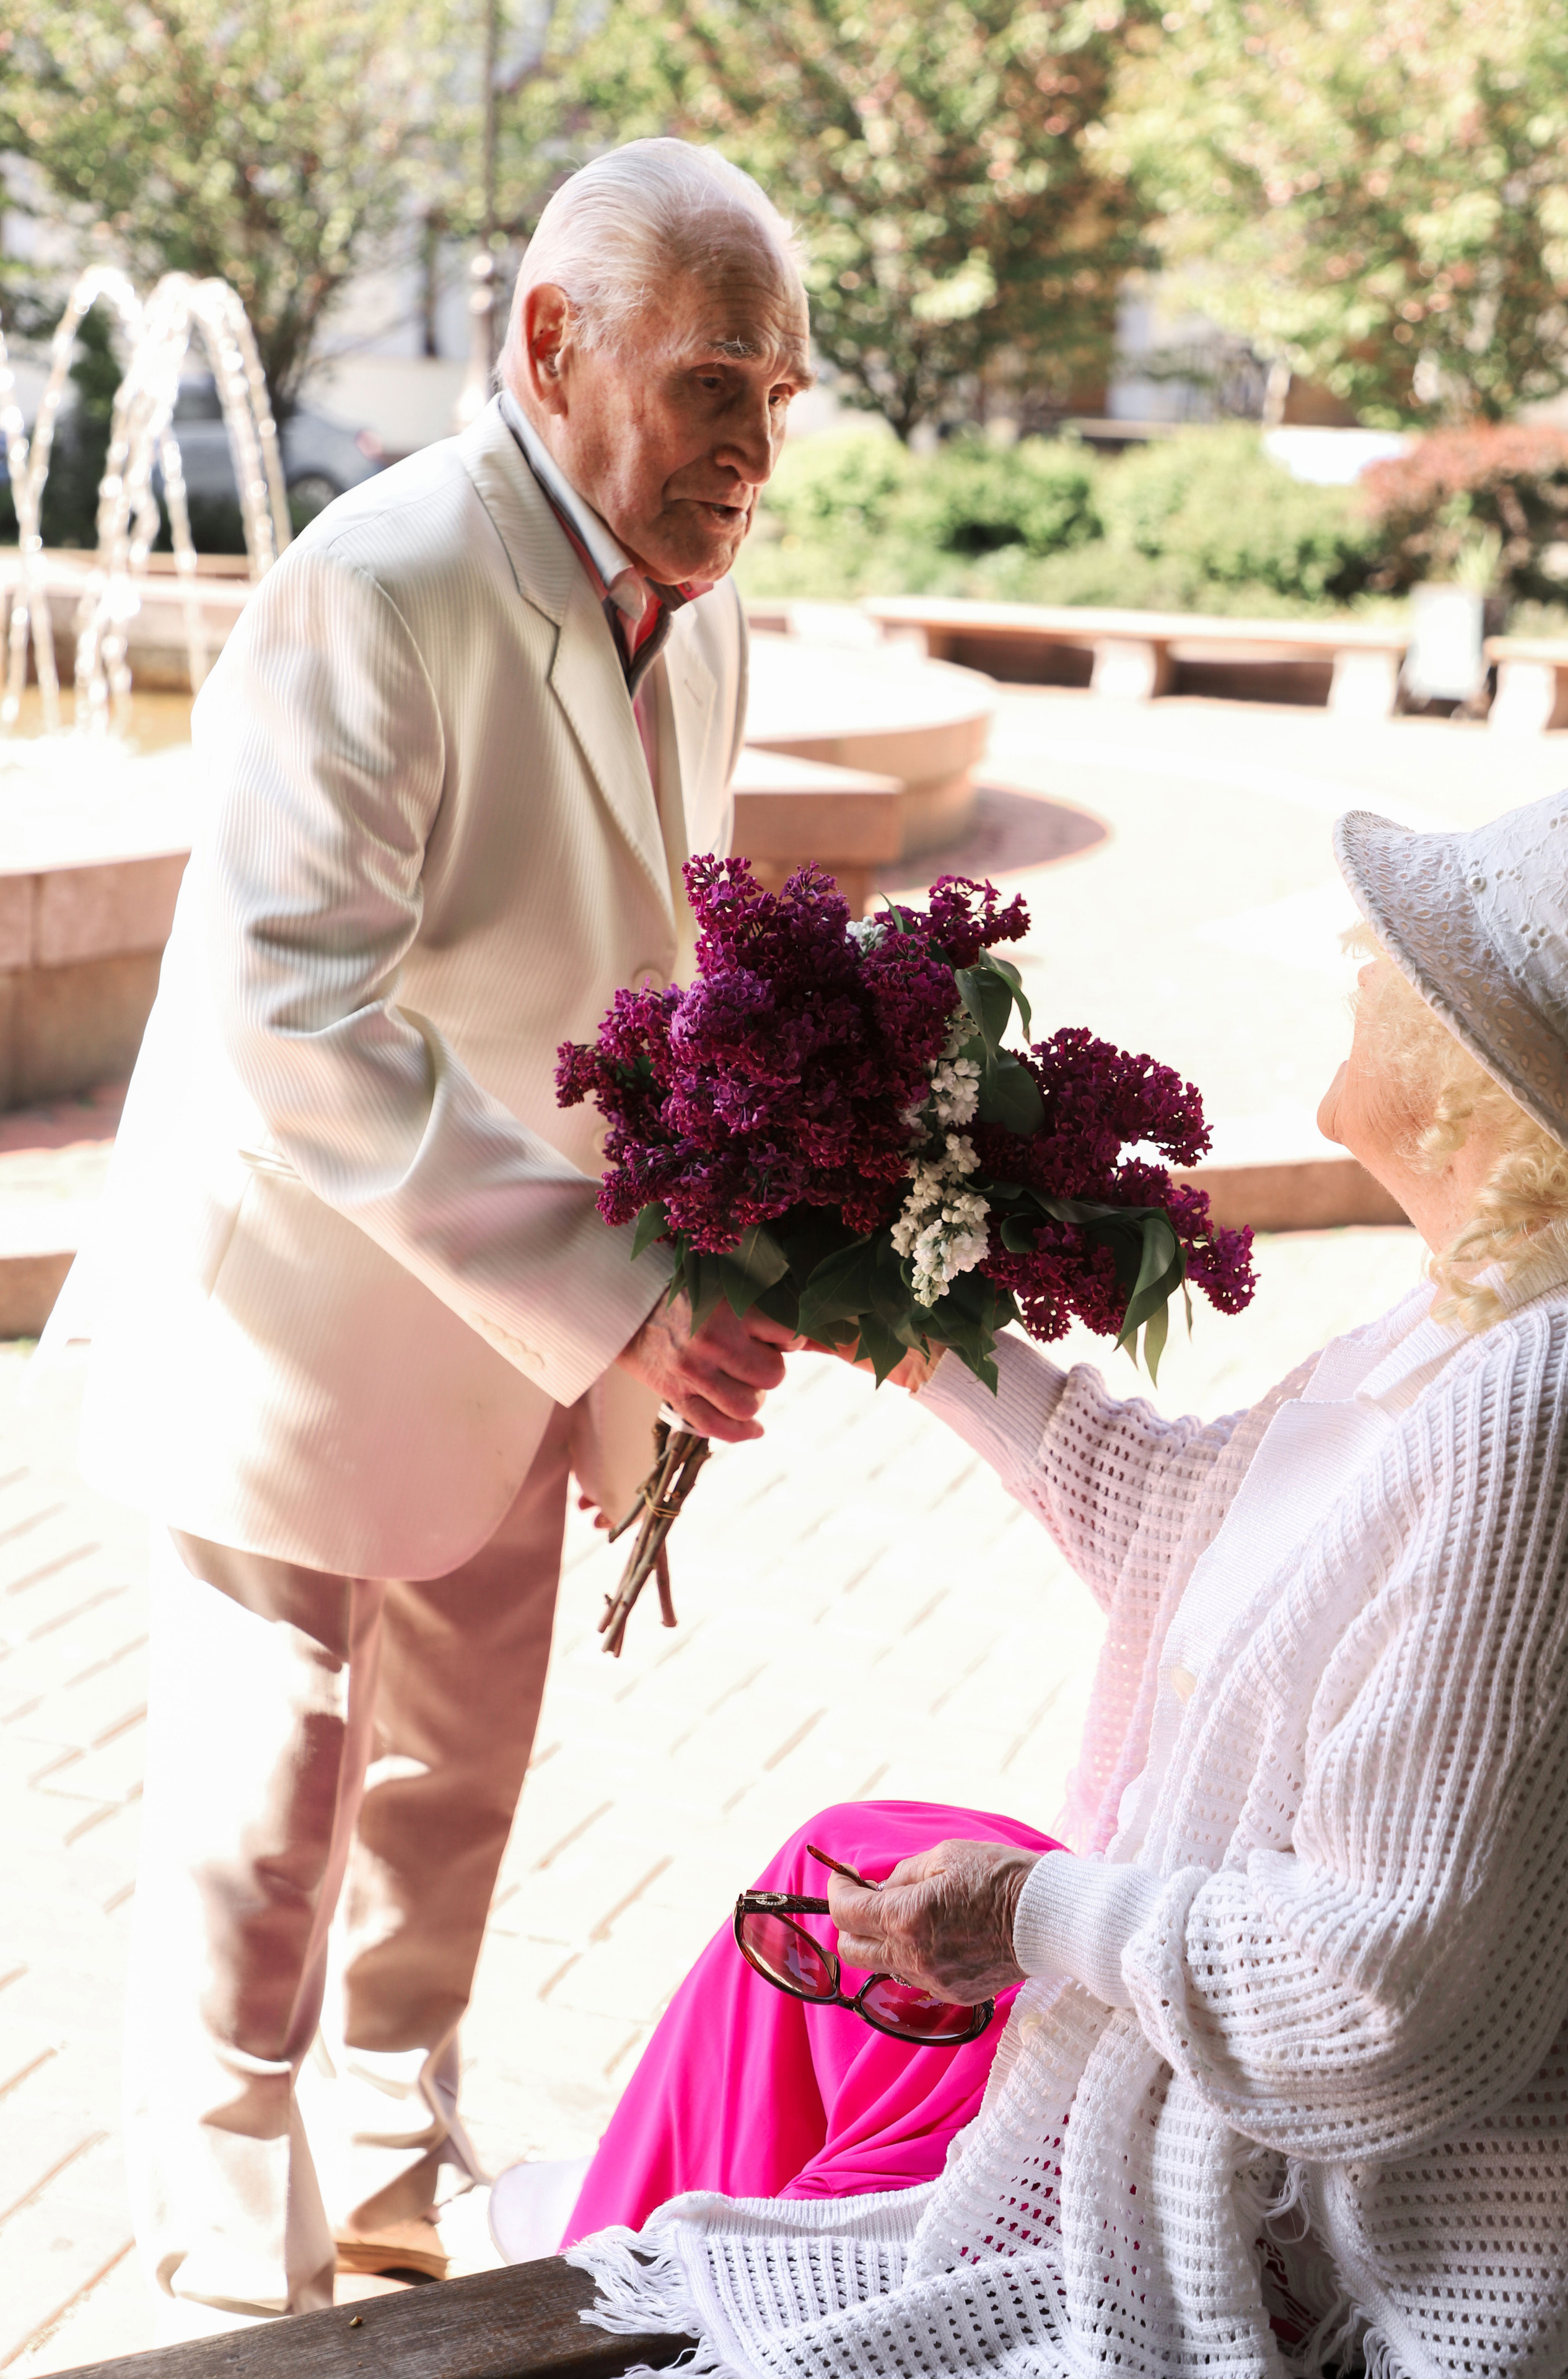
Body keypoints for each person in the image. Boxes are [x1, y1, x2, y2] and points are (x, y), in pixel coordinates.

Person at [534, 788, 1568, 2379]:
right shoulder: (1462, 1321)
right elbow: (1194, 1525)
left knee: (760, 2254)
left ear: (1478, 1080)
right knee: (839, 1865)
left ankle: (575, 2277)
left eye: (1404, 961)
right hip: (1187, 2102)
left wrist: (1028, 1914)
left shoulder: (1543, 1396)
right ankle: (594, 2244)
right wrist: (888, 1304)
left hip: (1307, 2252)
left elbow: (1377, 1994)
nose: (1357, 961)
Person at [63, 139, 813, 2336]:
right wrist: (619, 1297)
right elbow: (291, 1003)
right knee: (269, 1807)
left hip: (536, 1336)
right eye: (710, 383)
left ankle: (395, 2187)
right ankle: (231, 2276)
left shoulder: (718, 602)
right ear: (552, 346)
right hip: (289, 1328)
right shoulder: (376, 581)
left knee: (456, 1788)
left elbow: (669, 962)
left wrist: (748, 1215)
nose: (755, 441)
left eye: (781, 386)